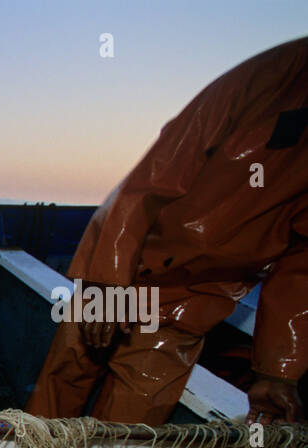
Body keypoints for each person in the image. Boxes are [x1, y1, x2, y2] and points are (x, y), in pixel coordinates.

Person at [26, 37, 308, 425]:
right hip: (132, 259)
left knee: (133, 430)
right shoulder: (271, 74)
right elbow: (154, 178)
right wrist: (109, 280)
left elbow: (302, 268)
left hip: (198, 298)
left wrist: (278, 370)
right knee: (64, 380)